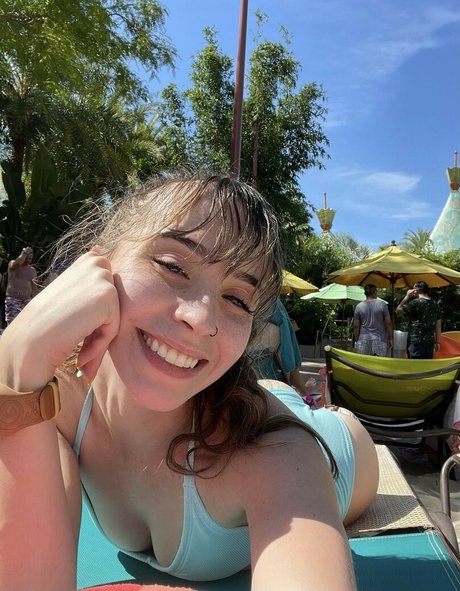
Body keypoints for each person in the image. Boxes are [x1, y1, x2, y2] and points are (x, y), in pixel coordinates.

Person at [0, 173, 378, 591]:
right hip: (231, 393)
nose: (200, 318)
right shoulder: (51, 403)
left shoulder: (276, 453)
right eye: (173, 266)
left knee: (317, 418)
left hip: (341, 445)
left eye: (236, 299)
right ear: (99, 262)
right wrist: (16, 361)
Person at [249, 299, 317, 406]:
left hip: (240, 384)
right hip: (275, 388)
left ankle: (304, 392)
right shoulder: (274, 305)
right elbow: (288, 362)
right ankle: (304, 393)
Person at [396, 280, 442, 359]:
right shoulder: (435, 305)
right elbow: (438, 325)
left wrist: (407, 297)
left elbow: (398, 311)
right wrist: (438, 342)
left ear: (416, 290)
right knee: (426, 365)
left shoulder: (414, 303)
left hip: (415, 341)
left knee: (414, 365)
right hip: (429, 342)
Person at [353, 284, 392, 356]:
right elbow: (388, 323)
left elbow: (356, 326)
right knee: (379, 362)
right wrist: (390, 338)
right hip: (380, 339)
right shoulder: (383, 305)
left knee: (363, 361)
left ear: (365, 293)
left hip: (363, 339)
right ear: (375, 292)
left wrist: (357, 339)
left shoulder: (358, 306)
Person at [4, 246, 38, 324]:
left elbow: (34, 289)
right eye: (28, 253)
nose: (30, 255)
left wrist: (36, 302)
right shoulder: (13, 264)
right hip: (13, 300)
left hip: (27, 301)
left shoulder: (32, 271)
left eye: (32, 253)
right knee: (13, 324)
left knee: (27, 324)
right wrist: (25, 252)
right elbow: (18, 263)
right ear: (22, 254)